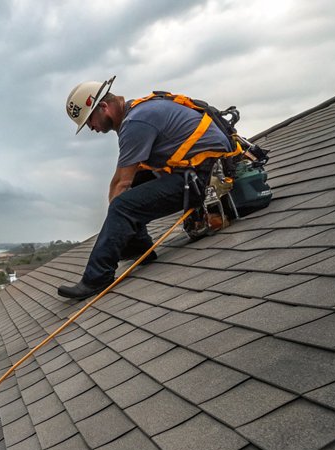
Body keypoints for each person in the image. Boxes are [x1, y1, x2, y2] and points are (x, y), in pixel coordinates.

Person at [57, 76, 233, 299]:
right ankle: (139, 247)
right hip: (200, 171)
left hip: (203, 178)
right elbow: (126, 176)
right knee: (132, 191)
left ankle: (97, 277)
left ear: (103, 107)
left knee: (122, 205)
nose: (91, 128)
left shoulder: (136, 123)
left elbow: (122, 183)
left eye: (90, 121)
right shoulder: (137, 114)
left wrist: (117, 216)